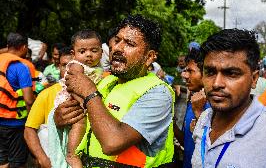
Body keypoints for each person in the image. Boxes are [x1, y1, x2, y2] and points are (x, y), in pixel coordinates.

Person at [53, 14, 175, 167]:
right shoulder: (107, 81)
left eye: (129, 44)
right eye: (117, 41)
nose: (117, 48)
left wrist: (90, 92)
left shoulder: (158, 93)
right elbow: (82, 118)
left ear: (149, 57)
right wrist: (60, 118)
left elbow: (112, 143)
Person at [191, 29, 266, 167]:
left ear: (254, 79)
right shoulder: (204, 119)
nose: (216, 84)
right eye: (210, 72)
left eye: (231, 73)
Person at [48, 30, 104, 168]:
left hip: (84, 98)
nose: (89, 54)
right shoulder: (76, 66)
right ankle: (72, 155)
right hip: (72, 99)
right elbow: (73, 86)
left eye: (94, 50)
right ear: (73, 54)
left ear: (102, 52)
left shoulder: (98, 68)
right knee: (80, 124)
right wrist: (83, 103)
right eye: (83, 51)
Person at [24, 47, 72, 168]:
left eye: (72, 65)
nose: (67, 70)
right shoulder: (46, 94)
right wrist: (42, 158)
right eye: (63, 65)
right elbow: (29, 130)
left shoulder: (93, 92)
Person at [0, 32, 36, 167]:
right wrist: (31, 123)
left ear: (8, 46)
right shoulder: (21, 67)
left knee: (2, 160)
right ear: (24, 47)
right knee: (17, 162)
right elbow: (28, 100)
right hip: (15, 122)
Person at [174, 48, 210, 168]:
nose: (184, 75)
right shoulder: (194, 101)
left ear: (205, 73)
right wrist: (172, 124)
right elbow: (188, 141)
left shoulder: (215, 106)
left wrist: (199, 114)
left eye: (190, 71)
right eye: (185, 70)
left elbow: (213, 147)